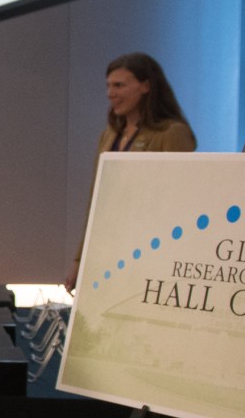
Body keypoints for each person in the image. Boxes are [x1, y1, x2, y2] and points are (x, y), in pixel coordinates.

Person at [71, 52, 195, 286]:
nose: (111, 94)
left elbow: (180, 202)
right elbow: (96, 200)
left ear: (145, 86)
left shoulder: (171, 134)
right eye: (108, 86)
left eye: (119, 85)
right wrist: (81, 258)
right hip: (107, 250)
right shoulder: (109, 135)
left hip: (149, 253)